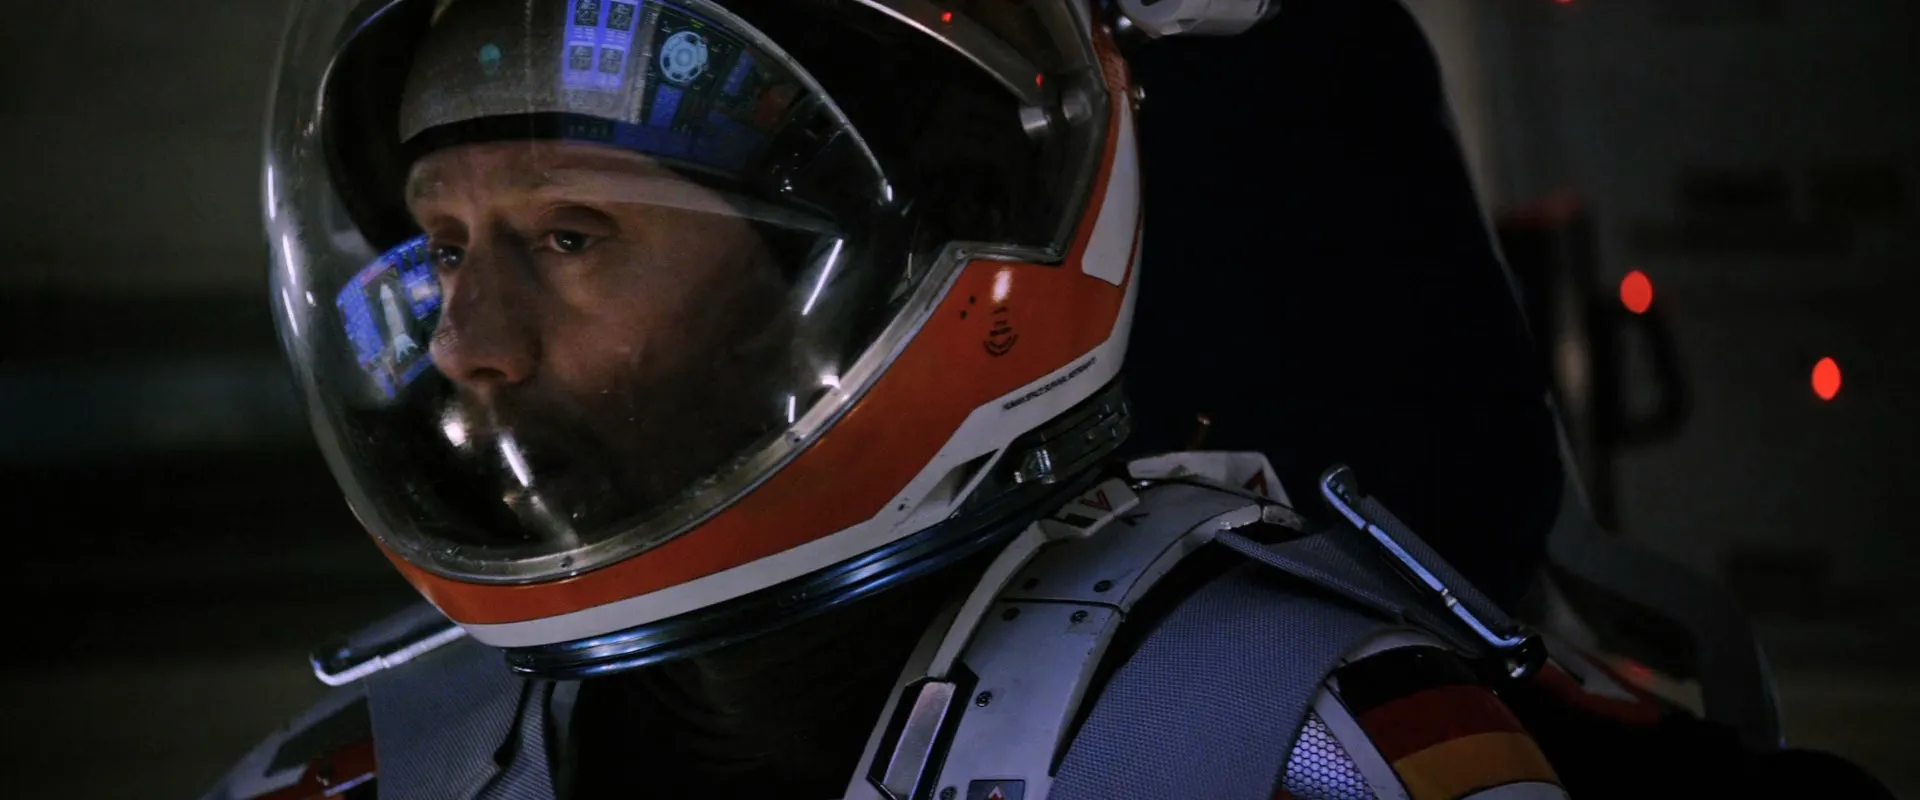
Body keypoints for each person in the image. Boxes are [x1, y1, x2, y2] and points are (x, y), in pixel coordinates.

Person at [211, 1, 1891, 798]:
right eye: (444, 247)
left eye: (571, 237)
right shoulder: (354, 773)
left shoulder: (1281, 744)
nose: (468, 345)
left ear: (865, 281)